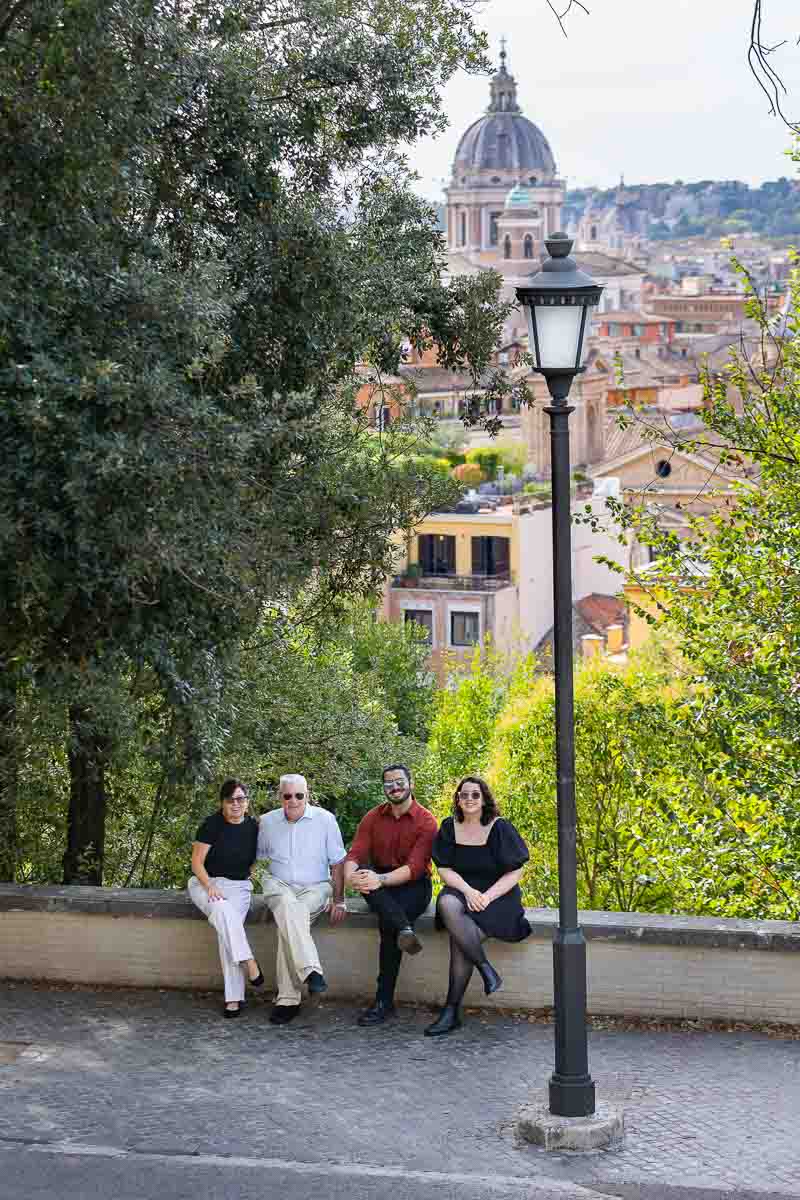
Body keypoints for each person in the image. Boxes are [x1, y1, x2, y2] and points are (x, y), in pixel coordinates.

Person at [425, 774, 531, 1036]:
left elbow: (515, 872)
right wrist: (468, 891)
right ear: (457, 800)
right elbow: (444, 869)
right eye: (464, 794)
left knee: (460, 942)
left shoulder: (500, 827)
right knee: (447, 903)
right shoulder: (449, 827)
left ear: (484, 799)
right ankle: (486, 969)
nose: (469, 799)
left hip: (498, 897)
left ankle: (451, 1012)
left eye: (475, 794)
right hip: (464, 890)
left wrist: (487, 896)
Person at [345, 764, 438, 1027]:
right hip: (378, 885)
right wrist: (353, 875)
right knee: (366, 877)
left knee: (387, 924)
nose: (395, 787)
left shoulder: (426, 821)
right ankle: (405, 929)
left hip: (413, 885)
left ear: (411, 783)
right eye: (389, 784)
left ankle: (383, 1002)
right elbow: (356, 854)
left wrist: (379, 880)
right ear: (384, 788)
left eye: (399, 782)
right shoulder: (373, 817)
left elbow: (415, 867)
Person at [257, 773, 348, 1025]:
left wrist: (339, 899)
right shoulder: (266, 822)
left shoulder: (325, 820)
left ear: (307, 795)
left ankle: (288, 999)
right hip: (279, 885)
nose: (293, 800)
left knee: (290, 915)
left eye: (299, 795)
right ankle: (310, 971)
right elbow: (254, 858)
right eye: (288, 796)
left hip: (315, 888)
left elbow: (338, 862)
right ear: (280, 797)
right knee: (287, 905)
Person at [189, 778, 263, 1018]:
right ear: (222, 803)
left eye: (240, 799)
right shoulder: (212, 824)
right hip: (205, 882)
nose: (235, 804)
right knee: (223, 912)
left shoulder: (253, 827)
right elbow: (196, 863)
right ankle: (249, 963)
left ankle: (234, 998)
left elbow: (254, 860)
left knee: (226, 930)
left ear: (247, 802)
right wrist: (209, 885)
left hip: (238, 886)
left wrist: (246, 877)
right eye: (230, 800)